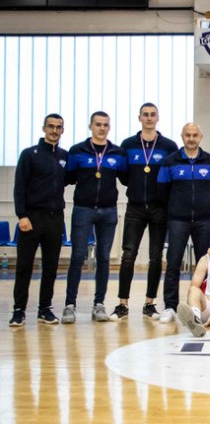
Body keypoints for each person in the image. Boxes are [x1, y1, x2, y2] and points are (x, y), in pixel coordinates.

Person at [109, 103, 178, 322]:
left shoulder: (168, 146)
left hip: (159, 208)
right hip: (135, 207)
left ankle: (149, 303)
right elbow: (123, 175)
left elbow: (172, 175)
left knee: (156, 257)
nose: (149, 118)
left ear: (158, 117)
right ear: (139, 118)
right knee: (128, 255)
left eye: (152, 115)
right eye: (145, 115)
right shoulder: (128, 145)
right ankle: (122, 303)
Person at [62, 111, 127, 324]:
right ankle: (69, 305)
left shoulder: (117, 153)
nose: (101, 128)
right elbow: (69, 177)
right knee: (77, 256)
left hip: (108, 211)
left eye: (105, 125)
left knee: (104, 258)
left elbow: (126, 178)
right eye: (98, 124)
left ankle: (99, 304)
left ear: (109, 127)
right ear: (91, 126)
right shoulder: (77, 151)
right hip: (83, 209)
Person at [156, 123, 210, 323]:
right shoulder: (170, 162)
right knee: (173, 263)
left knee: (205, 263)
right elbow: (162, 192)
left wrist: (203, 205)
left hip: (202, 221)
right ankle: (170, 307)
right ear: (182, 136)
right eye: (187, 135)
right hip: (178, 220)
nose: (191, 138)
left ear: (200, 137)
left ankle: (204, 304)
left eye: (195, 135)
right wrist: (177, 207)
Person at [10, 114, 68, 327]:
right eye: (51, 126)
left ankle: (45, 309)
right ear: (44, 128)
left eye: (58, 127)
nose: (54, 131)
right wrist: (22, 215)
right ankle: (19, 310)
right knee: (24, 266)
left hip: (55, 219)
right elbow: (19, 187)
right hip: (32, 218)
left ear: (62, 131)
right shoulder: (29, 154)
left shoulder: (65, 156)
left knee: (51, 267)